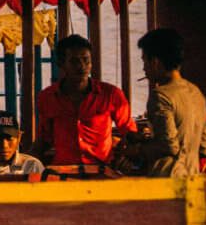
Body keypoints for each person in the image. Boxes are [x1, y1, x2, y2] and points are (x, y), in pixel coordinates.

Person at [33, 34, 133, 173]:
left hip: (103, 172)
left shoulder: (111, 94)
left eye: (86, 60)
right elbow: (45, 138)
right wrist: (22, 162)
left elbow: (129, 132)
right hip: (63, 173)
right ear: (61, 64)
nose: (81, 66)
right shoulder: (47, 97)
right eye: (74, 61)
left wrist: (124, 157)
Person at [129, 28, 206, 178]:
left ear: (155, 62)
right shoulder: (196, 93)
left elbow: (169, 145)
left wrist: (137, 150)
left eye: (145, 61)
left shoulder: (161, 95)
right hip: (192, 176)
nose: (144, 68)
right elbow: (204, 146)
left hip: (168, 179)